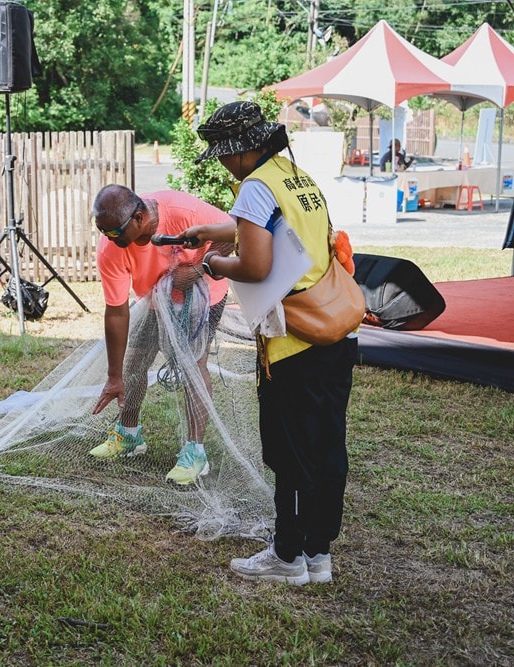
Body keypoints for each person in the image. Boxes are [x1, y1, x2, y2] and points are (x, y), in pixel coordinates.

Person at [182, 101, 358, 585]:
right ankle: (318, 554)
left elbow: (256, 266)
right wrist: (212, 231)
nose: (220, 162)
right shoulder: (294, 176)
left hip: (292, 342)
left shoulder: (255, 186)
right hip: (333, 332)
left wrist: (215, 264)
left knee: (290, 451)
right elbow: (280, 231)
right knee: (325, 446)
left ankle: (286, 557)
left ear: (243, 151)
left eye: (222, 153)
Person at [90, 185, 232, 485]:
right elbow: (116, 312)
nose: (108, 240)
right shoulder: (111, 249)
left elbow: (232, 232)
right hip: (156, 299)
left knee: (193, 365)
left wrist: (197, 268)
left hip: (203, 296)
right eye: (102, 231)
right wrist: (114, 376)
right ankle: (129, 436)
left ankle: (195, 453)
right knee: (135, 362)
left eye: (114, 233)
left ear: (140, 217)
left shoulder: (184, 212)